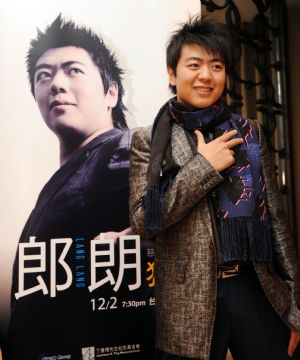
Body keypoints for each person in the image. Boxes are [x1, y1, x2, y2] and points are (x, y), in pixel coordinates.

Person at [129, 16, 300, 360]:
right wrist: (203, 168)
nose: (206, 76)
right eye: (194, 65)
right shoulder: (149, 141)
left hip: (256, 289)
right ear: (172, 73)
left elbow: (277, 224)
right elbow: (144, 219)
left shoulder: (248, 133)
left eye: (216, 66)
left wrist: (294, 307)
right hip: (187, 299)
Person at [3, 15, 154, 360]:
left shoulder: (122, 149)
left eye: (73, 70)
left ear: (111, 92)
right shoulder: (74, 171)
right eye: (44, 75)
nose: (56, 84)